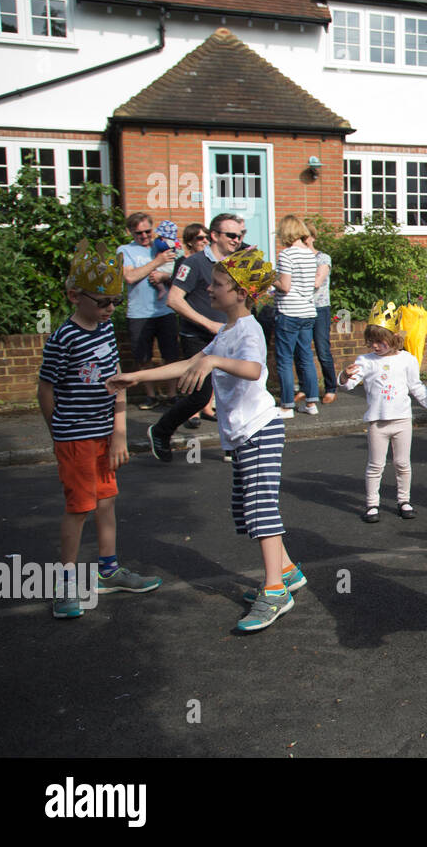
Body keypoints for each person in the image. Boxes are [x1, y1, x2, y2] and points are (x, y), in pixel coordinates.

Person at [109, 247, 304, 633]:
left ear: (241, 293)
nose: (210, 289)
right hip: (242, 435)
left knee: (262, 510)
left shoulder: (248, 330)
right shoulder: (227, 330)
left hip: (260, 430)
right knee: (246, 511)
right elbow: (189, 363)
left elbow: (252, 369)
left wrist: (212, 362)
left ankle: (275, 590)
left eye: (217, 284)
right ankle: (287, 571)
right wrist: (137, 378)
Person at [39, 240, 161, 618]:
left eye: (115, 301)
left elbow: (117, 382)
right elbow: (46, 389)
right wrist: (58, 432)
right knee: (79, 508)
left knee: (106, 504)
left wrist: (119, 433)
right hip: (74, 437)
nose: (111, 309)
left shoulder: (106, 331)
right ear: (76, 296)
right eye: (104, 301)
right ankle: (65, 583)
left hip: (104, 435)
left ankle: (109, 571)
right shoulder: (63, 338)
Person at [148, 213, 243, 460]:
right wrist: (208, 324)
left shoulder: (235, 264)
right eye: (231, 235)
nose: (237, 239)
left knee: (231, 391)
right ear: (214, 235)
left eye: (240, 235)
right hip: (198, 337)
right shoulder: (193, 264)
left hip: (228, 336)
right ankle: (161, 430)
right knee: (200, 395)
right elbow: (173, 300)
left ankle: (231, 446)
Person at [340, 323, 427, 523]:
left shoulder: (407, 359)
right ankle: (372, 503)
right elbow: (348, 384)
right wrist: (344, 375)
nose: (374, 346)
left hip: (402, 420)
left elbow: (416, 386)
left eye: (379, 341)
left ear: (393, 337)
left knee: (402, 463)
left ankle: (404, 500)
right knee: (376, 465)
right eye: (371, 342)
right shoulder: (366, 361)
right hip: (378, 422)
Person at [119, 212, 179, 410]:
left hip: (165, 310)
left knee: (170, 355)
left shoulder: (162, 244)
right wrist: (156, 263)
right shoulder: (125, 250)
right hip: (138, 313)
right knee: (143, 358)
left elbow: (178, 275)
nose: (144, 236)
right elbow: (129, 277)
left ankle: (171, 395)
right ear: (130, 232)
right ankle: (151, 396)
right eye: (138, 233)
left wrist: (164, 276)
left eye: (147, 231)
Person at [274, 214, 319, 417]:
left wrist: (269, 279)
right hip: (307, 311)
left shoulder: (286, 255)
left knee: (284, 359)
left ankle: (286, 405)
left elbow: (284, 286)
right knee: (306, 358)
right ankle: (311, 403)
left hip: (289, 311)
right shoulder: (311, 254)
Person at [305, 223, 337, 405]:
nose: (303, 241)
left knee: (322, 349)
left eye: (306, 237)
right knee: (302, 351)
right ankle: (305, 388)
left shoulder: (323, 258)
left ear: (313, 237)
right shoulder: (295, 258)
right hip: (301, 307)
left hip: (319, 308)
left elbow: (318, 282)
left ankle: (331, 387)